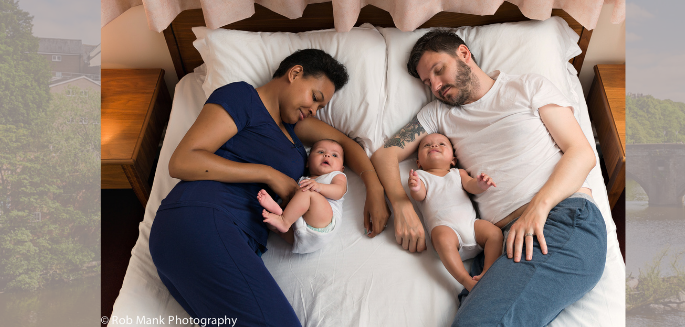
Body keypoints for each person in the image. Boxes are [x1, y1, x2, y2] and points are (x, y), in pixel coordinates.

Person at [371, 31, 607, 326]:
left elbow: (582, 153)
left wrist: (538, 208)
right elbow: (384, 155)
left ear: (464, 53)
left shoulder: (527, 87)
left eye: (438, 70)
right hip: (502, 242)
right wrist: (402, 205)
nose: (436, 86)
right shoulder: (437, 114)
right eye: (427, 82)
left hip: (560, 220)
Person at [151, 49, 387, 326]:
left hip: (230, 236)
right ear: (295, 73)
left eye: (320, 108)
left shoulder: (295, 129)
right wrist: (268, 174)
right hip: (204, 216)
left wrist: (375, 189)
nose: (313, 110)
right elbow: (182, 161)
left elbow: (346, 145)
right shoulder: (243, 98)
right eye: (315, 98)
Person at [407, 133, 502, 292]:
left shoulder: (458, 173)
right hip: (447, 230)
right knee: (441, 238)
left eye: (441, 144)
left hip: (472, 226)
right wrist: (415, 187)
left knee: (495, 233)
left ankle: (488, 270)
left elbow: (471, 186)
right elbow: (420, 195)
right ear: (419, 163)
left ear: (453, 160)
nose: (434, 146)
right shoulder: (421, 176)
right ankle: (466, 280)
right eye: (427, 145)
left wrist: (481, 185)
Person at [258, 138, 348, 254]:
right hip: (298, 236)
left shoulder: (337, 175)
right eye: (321, 152)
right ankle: (278, 213)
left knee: (308, 192)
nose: (327, 155)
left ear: (342, 168)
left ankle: (283, 220)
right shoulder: (302, 180)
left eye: (334, 155)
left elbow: (339, 191)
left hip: (324, 222)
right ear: (307, 162)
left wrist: (319, 187)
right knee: (270, 223)